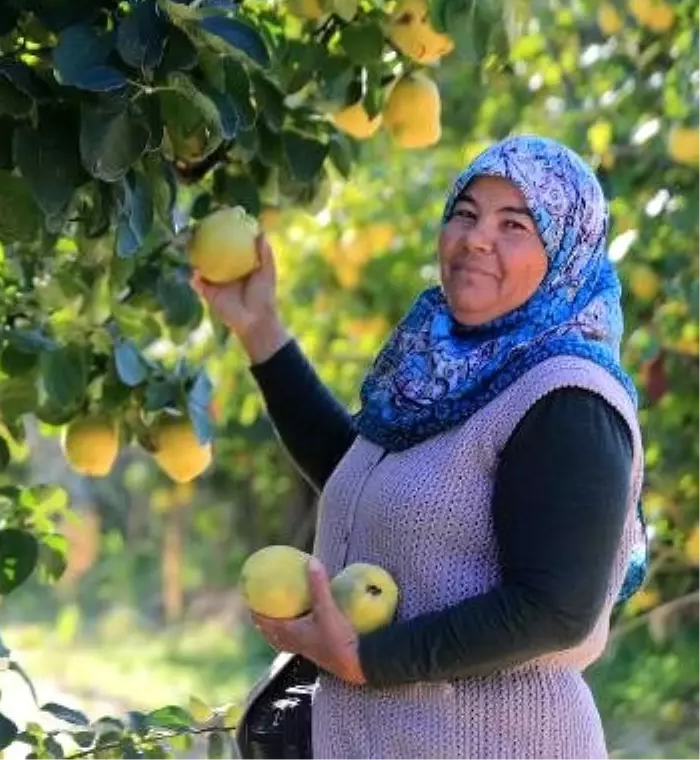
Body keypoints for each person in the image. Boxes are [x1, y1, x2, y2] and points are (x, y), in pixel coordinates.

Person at [193, 135, 648, 758]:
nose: (477, 237)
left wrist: (368, 659)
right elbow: (360, 473)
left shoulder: (567, 399)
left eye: (514, 224)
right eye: (465, 213)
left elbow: (555, 609)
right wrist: (259, 328)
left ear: (566, 253)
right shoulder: (447, 370)